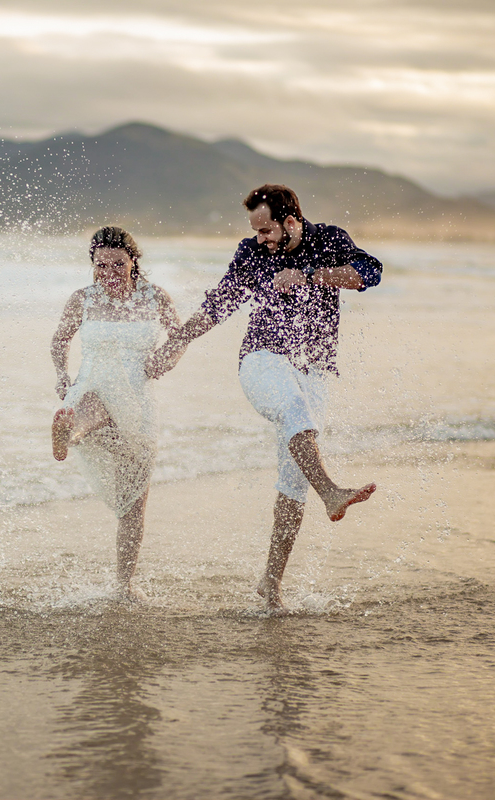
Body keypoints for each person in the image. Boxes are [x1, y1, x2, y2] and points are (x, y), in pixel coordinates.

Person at [147, 184, 382, 613]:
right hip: (262, 358)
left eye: (266, 230)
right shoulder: (251, 253)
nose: (260, 239)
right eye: (255, 230)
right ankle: (331, 490)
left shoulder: (328, 240)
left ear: (290, 221)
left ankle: (271, 585)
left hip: (315, 369)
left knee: (293, 479)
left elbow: (370, 273)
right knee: (292, 411)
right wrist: (176, 341)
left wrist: (311, 276)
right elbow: (219, 304)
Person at [50, 226, 184, 602]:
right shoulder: (82, 299)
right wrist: (62, 374)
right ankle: (70, 430)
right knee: (93, 402)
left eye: (118, 264)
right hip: (92, 385)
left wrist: (166, 359)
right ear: (92, 265)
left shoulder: (156, 297)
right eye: (101, 265)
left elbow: (178, 338)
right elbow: (60, 339)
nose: (109, 273)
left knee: (133, 502)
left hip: (137, 402)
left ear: (133, 261)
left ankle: (124, 585)